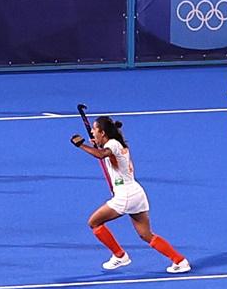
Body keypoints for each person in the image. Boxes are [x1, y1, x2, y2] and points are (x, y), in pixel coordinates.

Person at [71, 116, 191, 274]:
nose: (92, 132)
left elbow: (101, 155)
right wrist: (98, 145)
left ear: (103, 132)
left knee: (94, 222)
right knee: (146, 235)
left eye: (95, 129)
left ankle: (120, 255)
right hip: (136, 193)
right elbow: (107, 156)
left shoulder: (112, 145)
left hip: (126, 195)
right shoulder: (115, 144)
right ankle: (180, 261)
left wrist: (82, 145)